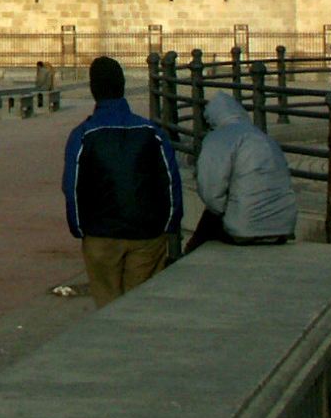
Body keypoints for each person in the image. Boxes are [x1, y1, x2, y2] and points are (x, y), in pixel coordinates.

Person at [61, 55, 183, 307]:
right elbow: (171, 181)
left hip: (100, 236)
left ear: (94, 90)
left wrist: (80, 229)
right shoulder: (151, 132)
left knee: (107, 307)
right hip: (147, 235)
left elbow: (72, 188)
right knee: (141, 307)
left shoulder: (83, 134)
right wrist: (170, 226)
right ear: (123, 85)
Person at [185, 91, 298, 251]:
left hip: (245, 229)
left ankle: (188, 256)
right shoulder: (263, 137)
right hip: (283, 227)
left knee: (209, 218)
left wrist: (223, 210)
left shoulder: (219, 137)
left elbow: (210, 190)